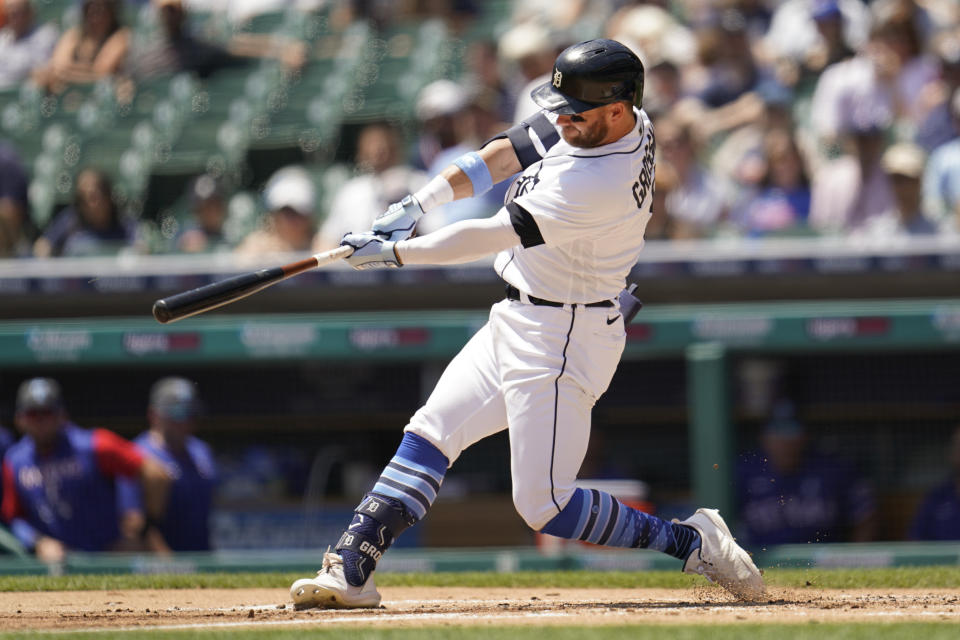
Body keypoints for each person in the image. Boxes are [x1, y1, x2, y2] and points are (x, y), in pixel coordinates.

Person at [289, 39, 765, 610]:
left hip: (563, 337)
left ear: (617, 110)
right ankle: (352, 565)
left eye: (574, 111)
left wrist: (395, 254)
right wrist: (418, 201)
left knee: (545, 506)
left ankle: (692, 542)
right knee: (431, 429)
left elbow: (486, 234)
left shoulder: (596, 183)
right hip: (521, 313)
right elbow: (505, 153)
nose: (560, 118)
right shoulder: (608, 118)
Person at [1, 378, 171, 562]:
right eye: (33, 414)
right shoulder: (14, 460)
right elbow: (13, 518)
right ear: (19, 419)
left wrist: (143, 531)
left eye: (47, 413)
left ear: (62, 415)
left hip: (104, 557)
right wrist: (38, 542)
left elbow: (156, 474)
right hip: (56, 562)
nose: (41, 421)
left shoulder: (94, 444)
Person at [736, 401, 877, 548]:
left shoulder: (833, 469)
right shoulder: (744, 471)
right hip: (759, 559)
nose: (785, 441)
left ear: (805, 437)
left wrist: (853, 557)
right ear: (764, 438)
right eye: (777, 432)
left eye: (792, 431)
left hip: (824, 561)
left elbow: (866, 517)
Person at [117, 377, 217, 551]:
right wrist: (167, 562)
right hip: (159, 563)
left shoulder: (202, 451)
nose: (185, 421)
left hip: (202, 555)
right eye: (178, 413)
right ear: (154, 415)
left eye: (191, 413)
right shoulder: (136, 455)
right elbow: (132, 521)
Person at [314, 122, 428, 250]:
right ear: (361, 151)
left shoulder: (419, 182)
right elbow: (327, 240)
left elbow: (437, 231)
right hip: (361, 266)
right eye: (372, 144)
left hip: (410, 262)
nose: (378, 150)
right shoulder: (352, 191)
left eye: (383, 143)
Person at [34, 167, 135, 257]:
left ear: (107, 196)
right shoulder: (70, 220)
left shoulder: (124, 224)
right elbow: (42, 246)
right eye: (81, 198)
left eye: (92, 196)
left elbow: (141, 247)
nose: (86, 204)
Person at [33, 0, 129, 93]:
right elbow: (59, 66)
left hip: (100, 97)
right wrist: (87, 73)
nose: (95, 14)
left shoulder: (120, 36)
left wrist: (66, 74)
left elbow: (103, 72)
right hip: (70, 97)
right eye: (91, 7)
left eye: (101, 8)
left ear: (111, 12)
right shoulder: (74, 34)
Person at [234, 165, 316, 256]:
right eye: (286, 212)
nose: (292, 220)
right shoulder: (256, 248)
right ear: (273, 216)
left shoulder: (323, 248)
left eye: (298, 212)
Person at [910, 425, 960, 540]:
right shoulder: (937, 496)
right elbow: (915, 541)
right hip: (943, 558)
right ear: (952, 454)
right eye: (957, 446)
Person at [0, 0, 59, 90]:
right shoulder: (3, 37)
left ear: (30, 12)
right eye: (9, 13)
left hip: (22, 94)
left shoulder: (45, 35)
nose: (12, 17)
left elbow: (42, 73)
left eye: (16, 13)